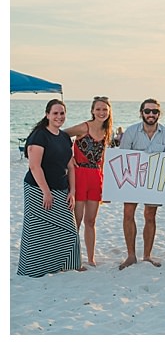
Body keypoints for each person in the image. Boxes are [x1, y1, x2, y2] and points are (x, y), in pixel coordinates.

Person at [18, 99, 83, 277]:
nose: (59, 117)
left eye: (62, 113)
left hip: (61, 189)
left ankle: (68, 265)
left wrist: (72, 191)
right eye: (55, 113)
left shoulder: (64, 137)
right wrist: (46, 192)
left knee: (69, 231)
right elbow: (34, 167)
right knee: (37, 231)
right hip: (37, 189)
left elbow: (71, 167)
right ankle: (33, 269)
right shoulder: (39, 136)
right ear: (47, 115)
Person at [118, 98, 165, 270]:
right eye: (148, 111)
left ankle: (147, 255)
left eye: (155, 111)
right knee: (128, 213)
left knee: (150, 215)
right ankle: (130, 255)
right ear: (141, 112)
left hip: (154, 181)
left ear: (159, 113)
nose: (151, 114)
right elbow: (122, 158)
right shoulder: (130, 132)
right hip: (133, 179)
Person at [63, 96, 113, 266]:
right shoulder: (84, 127)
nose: (101, 112)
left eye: (104, 109)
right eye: (98, 109)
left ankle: (90, 259)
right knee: (76, 220)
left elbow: (103, 160)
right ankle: (73, 258)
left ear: (109, 112)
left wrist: (105, 183)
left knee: (91, 221)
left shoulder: (107, 132)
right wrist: (69, 157)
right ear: (92, 110)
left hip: (95, 177)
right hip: (79, 176)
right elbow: (61, 136)